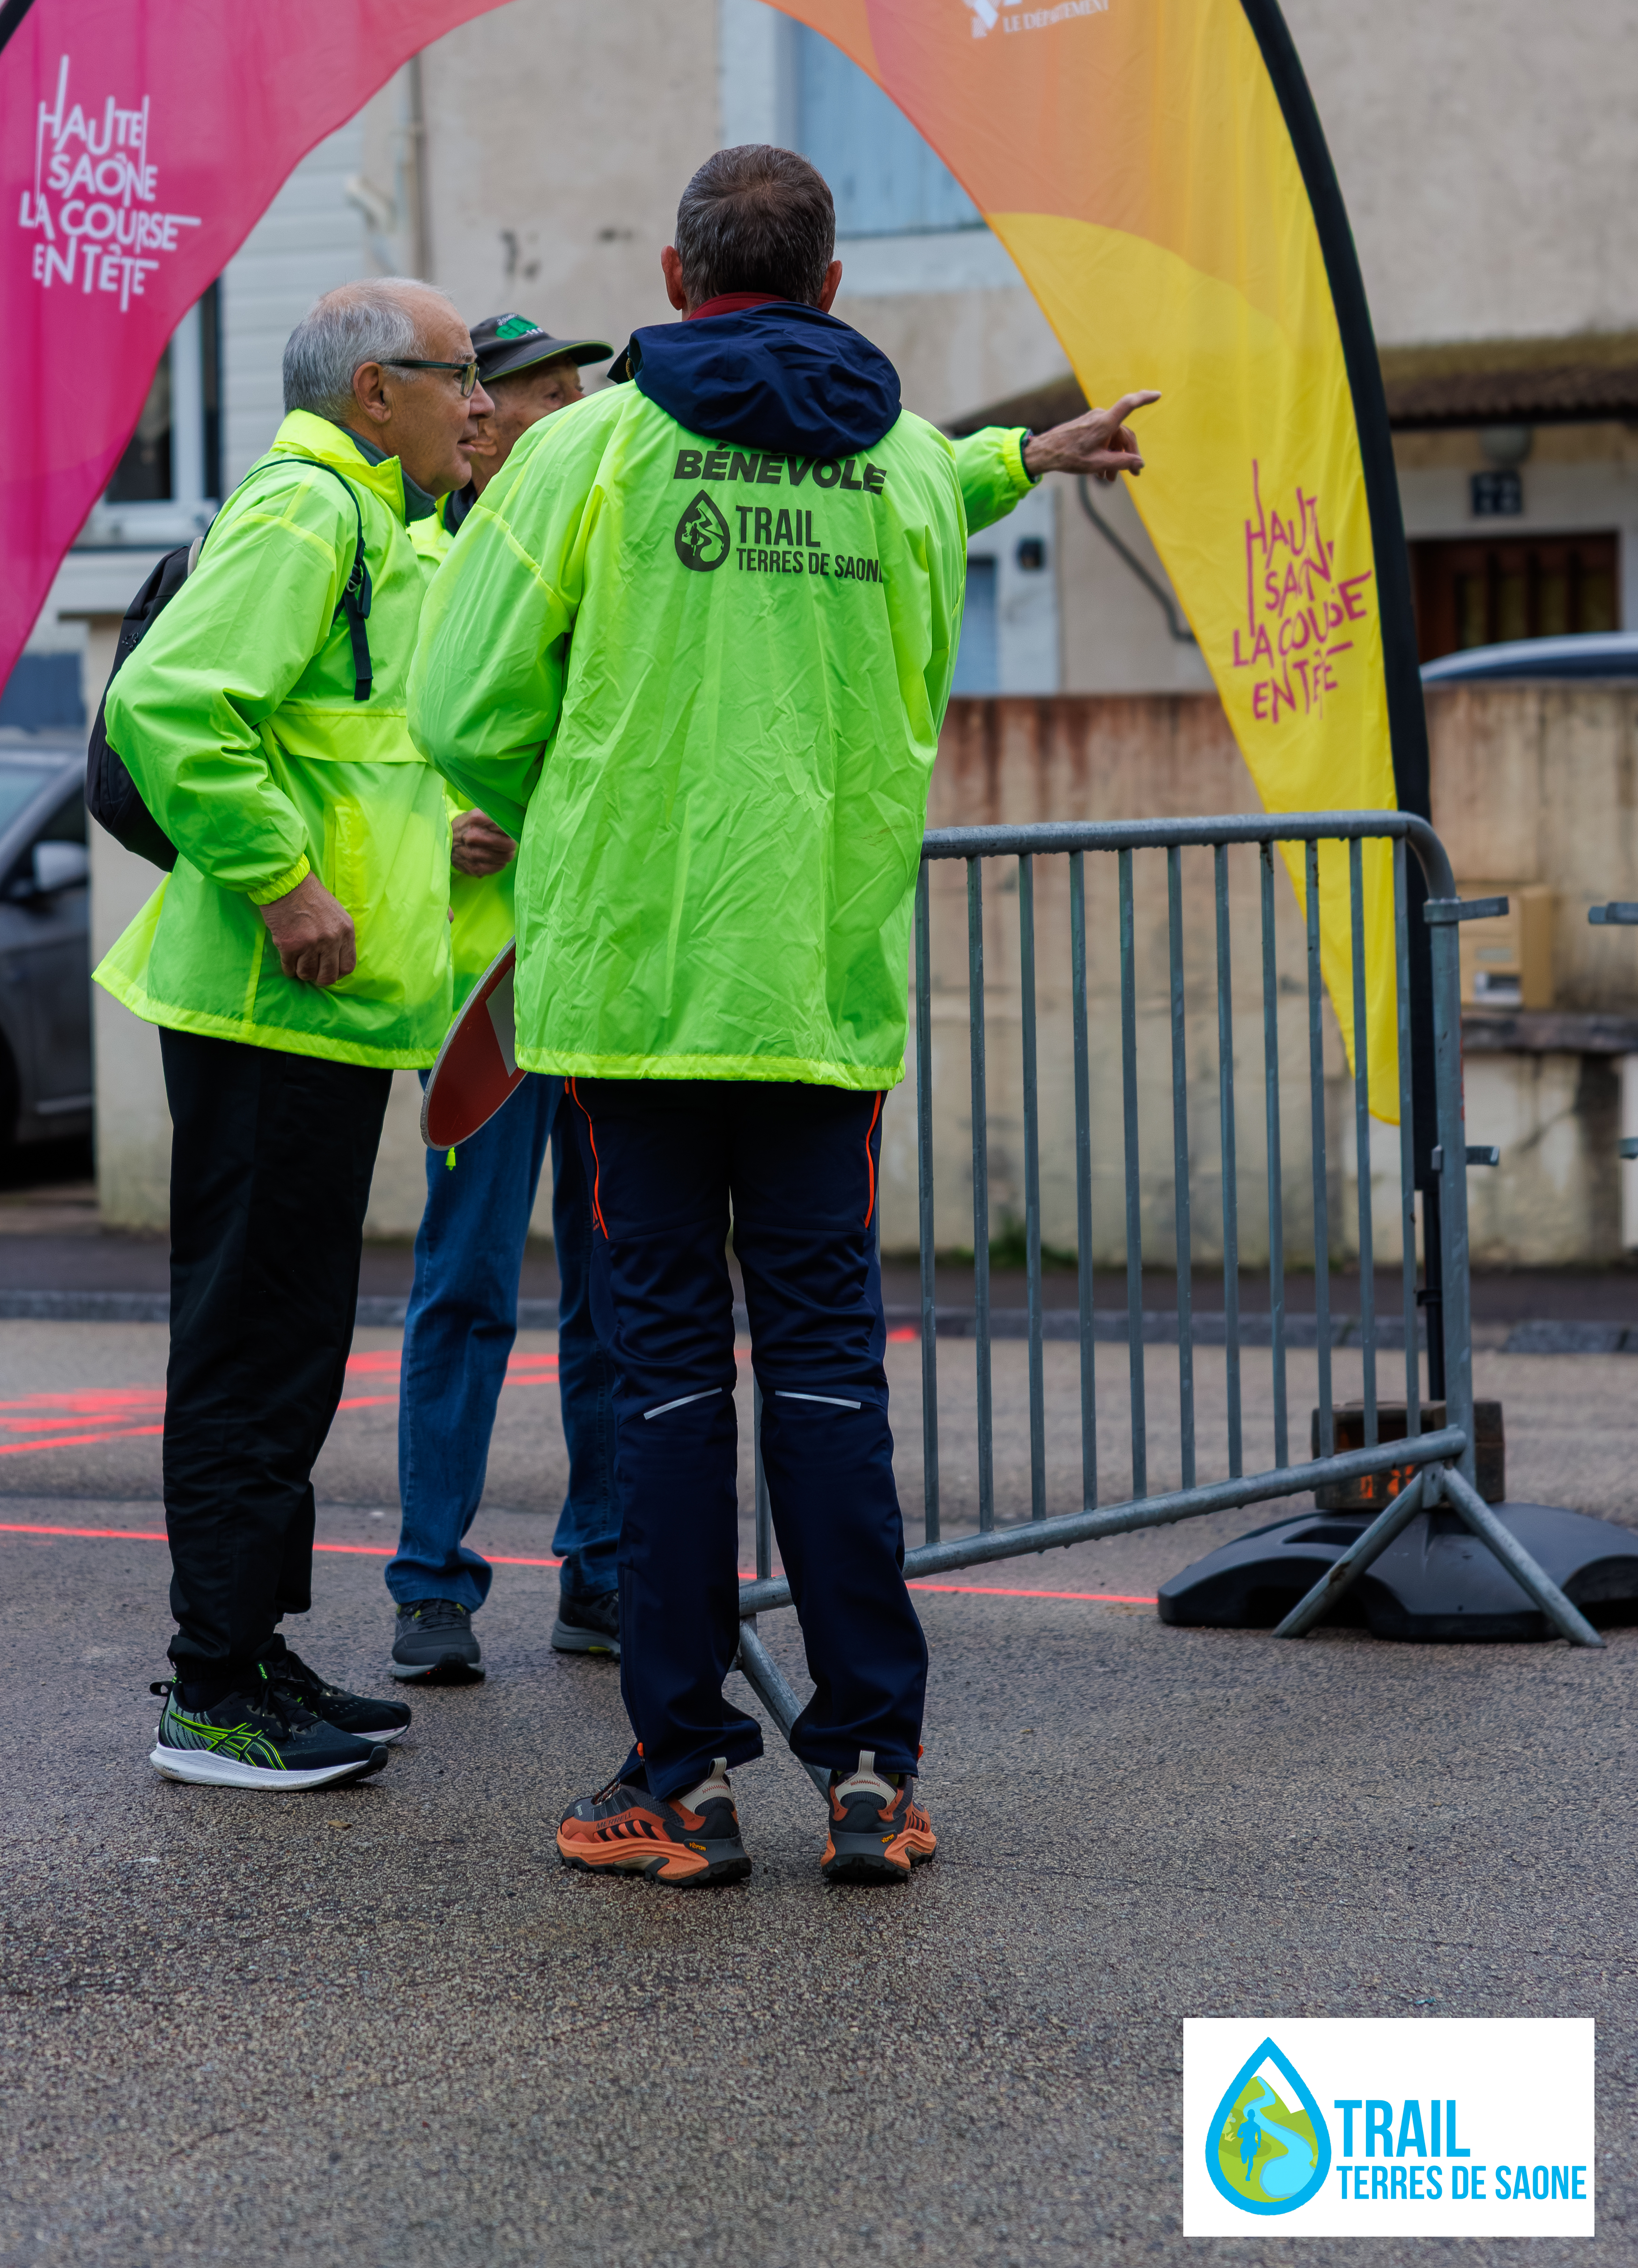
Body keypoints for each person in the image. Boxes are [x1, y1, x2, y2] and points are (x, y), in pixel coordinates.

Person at [411, 148, 1156, 1885]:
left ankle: (680, 1778)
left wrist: (576, 807)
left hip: (641, 996)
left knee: (665, 1375)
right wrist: (1015, 457)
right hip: (822, 999)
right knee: (828, 1374)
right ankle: (874, 1767)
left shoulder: (591, 450)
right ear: (830, 287)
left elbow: (458, 698)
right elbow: (936, 500)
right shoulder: (895, 464)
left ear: (673, 277)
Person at [98, 278, 492, 1792]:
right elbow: (172, 702)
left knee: (290, 1346)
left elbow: (344, 750)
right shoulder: (306, 511)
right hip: (267, 1008)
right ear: (371, 391)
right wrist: (283, 883)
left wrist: (416, 836)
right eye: (454, 374)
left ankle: (252, 1650)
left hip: (318, 1020)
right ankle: (211, 1690)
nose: (478, 402)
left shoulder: (378, 529)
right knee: (251, 1347)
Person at [386, 311, 624, 1687]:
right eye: (546, 399)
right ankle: (432, 1586)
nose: (570, 418)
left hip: (591, 969)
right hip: (484, 992)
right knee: (467, 1288)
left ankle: (597, 1572)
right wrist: (442, 834)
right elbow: (385, 767)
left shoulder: (596, 556)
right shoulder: (422, 562)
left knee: (608, 1292)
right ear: (482, 418)